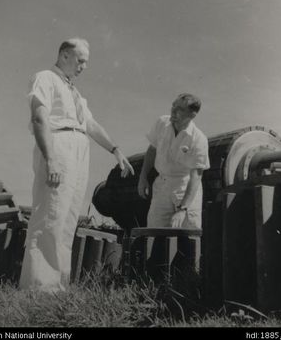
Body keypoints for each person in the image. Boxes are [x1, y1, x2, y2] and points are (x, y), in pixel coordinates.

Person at [19, 38, 134, 293]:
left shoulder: (76, 93)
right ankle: (38, 288)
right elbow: (39, 119)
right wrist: (50, 159)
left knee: (68, 218)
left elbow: (91, 125)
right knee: (51, 215)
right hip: (57, 144)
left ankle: (57, 286)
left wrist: (115, 150)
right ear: (64, 55)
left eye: (86, 62)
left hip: (79, 149)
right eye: (80, 60)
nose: (84, 66)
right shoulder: (45, 78)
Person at [138, 93, 210, 229]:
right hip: (162, 185)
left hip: (185, 187)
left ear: (192, 115)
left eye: (180, 109)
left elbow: (196, 176)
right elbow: (152, 150)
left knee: (188, 234)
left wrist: (183, 209)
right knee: (154, 231)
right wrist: (143, 177)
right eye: (173, 106)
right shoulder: (161, 123)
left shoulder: (199, 139)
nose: (173, 111)